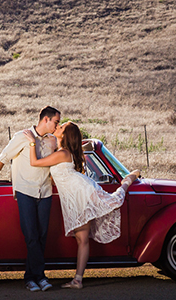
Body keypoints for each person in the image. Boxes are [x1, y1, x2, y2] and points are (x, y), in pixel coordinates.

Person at [22, 121, 139, 289]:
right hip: (74, 196)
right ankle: (77, 280)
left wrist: (32, 141)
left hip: (81, 193)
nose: (57, 128)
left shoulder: (62, 153)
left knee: (86, 235)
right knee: (81, 239)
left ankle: (127, 181)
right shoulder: (61, 152)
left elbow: (34, 162)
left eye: (60, 127)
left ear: (64, 135)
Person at [0, 106, 61, 292]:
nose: (57, 126)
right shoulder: (22, 136)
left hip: (45, 192)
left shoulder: (53, 140)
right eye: (56, 122)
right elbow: (3, 158)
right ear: (45, 120)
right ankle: (39, 277)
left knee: (41, 236)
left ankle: (31, 278)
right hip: (26, 191)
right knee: (31, 236)